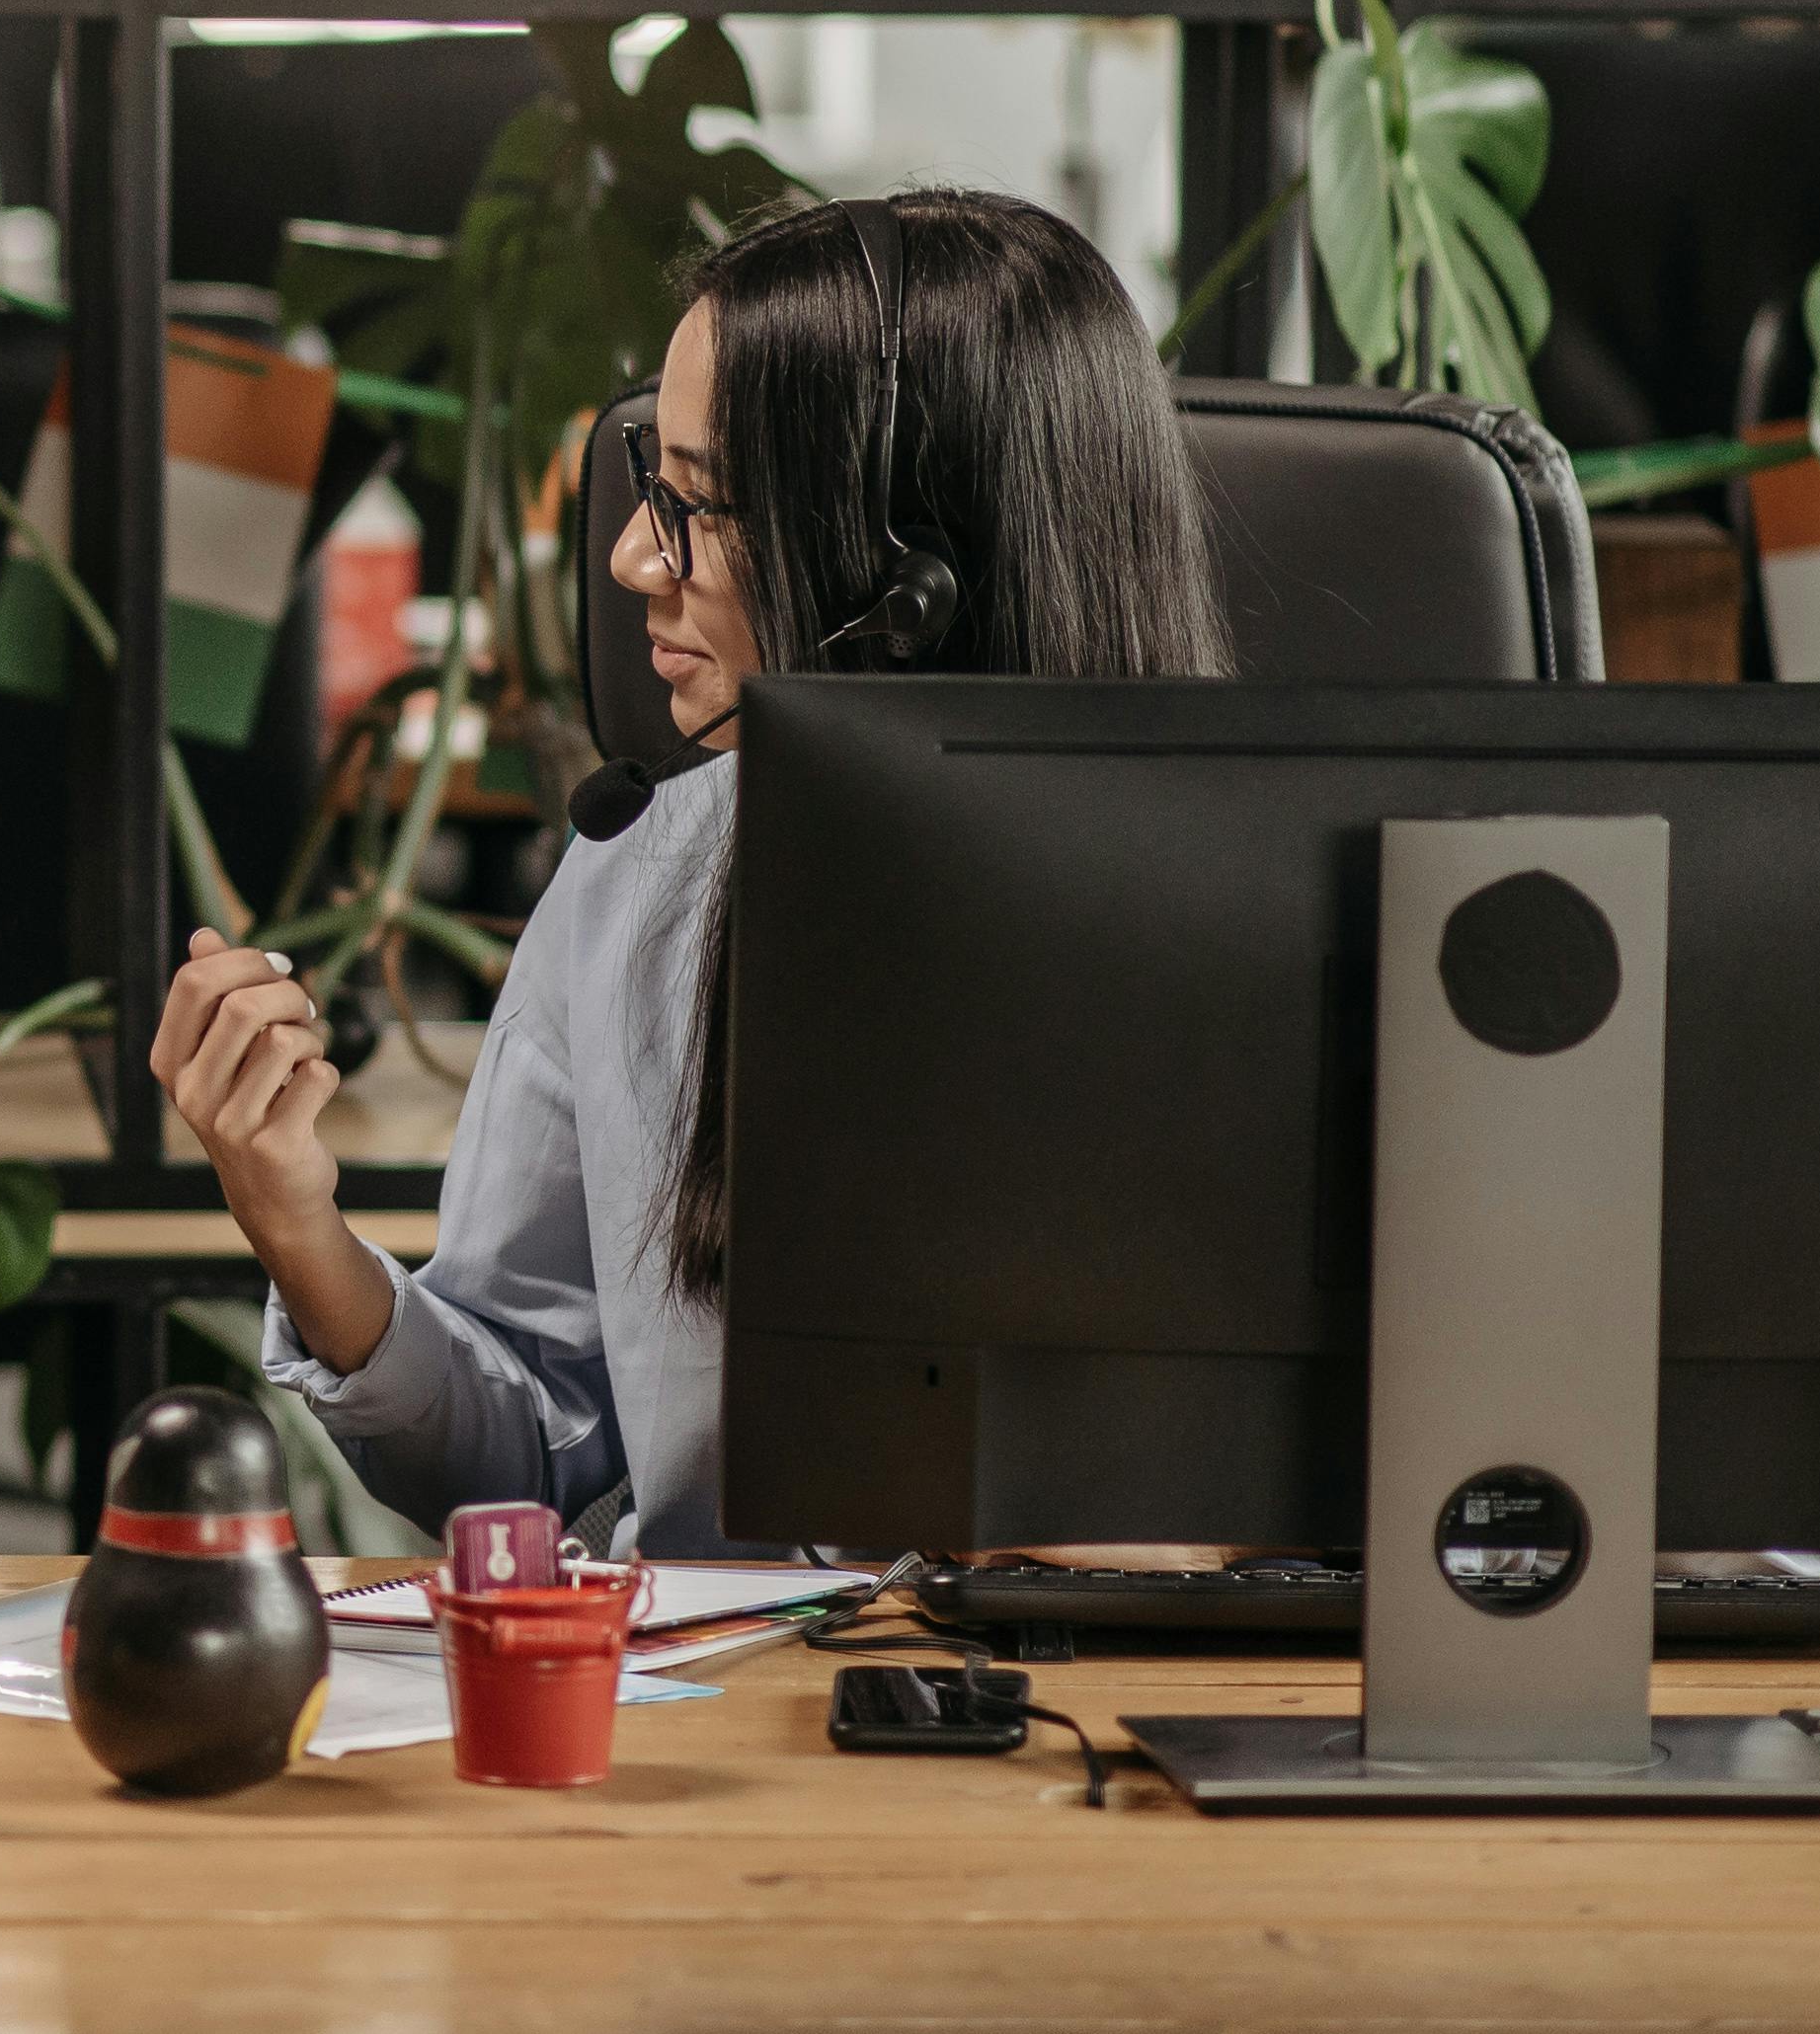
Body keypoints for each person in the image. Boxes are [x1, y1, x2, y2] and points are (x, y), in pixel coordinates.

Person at [153, 187, 1227, 1552]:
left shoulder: (1258, 920)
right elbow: (518, 1454)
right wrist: (296, 1221)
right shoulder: (638, 877)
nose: (627, 553)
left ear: (912, 578)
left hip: (1164, 1711)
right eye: (646, 481)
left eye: (696, 504)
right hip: (732, 1726)